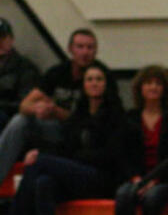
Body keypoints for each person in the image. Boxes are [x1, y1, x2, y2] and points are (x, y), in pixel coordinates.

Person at [5, 62, 131, 215]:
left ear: (106, 84)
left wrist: (73, 159)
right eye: (90, 79)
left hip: (104, 179)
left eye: (99, 79)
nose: (94, 83)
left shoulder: (117, 115)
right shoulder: (79, 114)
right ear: (84, 85)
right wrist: (37, 152)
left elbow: (111, 156)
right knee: (43, 182)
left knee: (41, 162)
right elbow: (64, 147)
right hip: (78, 175)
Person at [0, 28, 108, 184]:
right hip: (54, 129)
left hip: (82, 135)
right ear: (70, 49)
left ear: (96, 51)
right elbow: (24, 105)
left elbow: (88, 120)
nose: (85, 52)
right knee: (20, 121)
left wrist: (55, 112)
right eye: (80, 47)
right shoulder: (58, 72)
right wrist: (38, 109)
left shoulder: (100, 76)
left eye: (90, 47)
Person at [114, 65, 168, 215]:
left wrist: (154, 180)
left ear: (164, 89)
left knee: (152, 197)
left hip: (166, 180)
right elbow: (121, 155)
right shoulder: (129, 117)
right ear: (140, 88)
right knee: (123, 194)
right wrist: (137, 179)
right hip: (137, 178)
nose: (153, 87)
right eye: (148, 83)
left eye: (158, 83)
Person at [0, 18, 40, 132]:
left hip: (9, 120)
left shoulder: (24, 68)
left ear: (11, 40)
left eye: (2, 38)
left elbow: (25, 104)